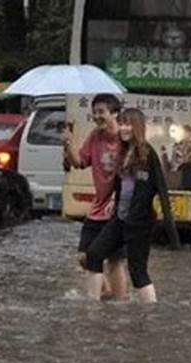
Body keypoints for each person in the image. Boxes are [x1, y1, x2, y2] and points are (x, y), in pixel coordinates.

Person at [83, 108, 180, 304]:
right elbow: (122, 187)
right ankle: (91, 306)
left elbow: (157, 190)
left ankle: (151, 312)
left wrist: (171, 233)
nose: (123, 128)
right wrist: (115, 206)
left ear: (137, 127)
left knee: (138, 272)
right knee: (94, 255)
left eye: (128, 124)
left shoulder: (147, 154)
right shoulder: (124, 151)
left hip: (139, 224)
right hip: (119, 219)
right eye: (121, 123)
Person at [62, 93, 128, 300]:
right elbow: (78, 163)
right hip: (98, 208)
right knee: (84, 256)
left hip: (118, 209)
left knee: (115, 261)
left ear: (115, 113)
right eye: (94, 112)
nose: (97, 116)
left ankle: (120, 305)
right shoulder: (94, 136)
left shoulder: (125, 139)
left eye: (101, 112)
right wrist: (68, 143)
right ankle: (105, 290)